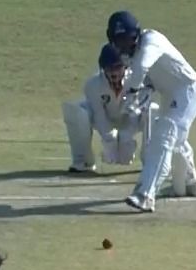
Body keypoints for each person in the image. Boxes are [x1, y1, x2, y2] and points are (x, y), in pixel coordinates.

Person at [106, 11, 196, 213]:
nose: (123, 45)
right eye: (119, 40)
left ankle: (146, 195)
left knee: (164, 137)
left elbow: (142, 68)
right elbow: (146, 84)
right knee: (175, 139)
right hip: (171, 94)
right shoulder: (131, 57)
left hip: (189, 91)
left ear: (135, 35)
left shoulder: (151, 41)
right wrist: (134, 102)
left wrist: (129, 92)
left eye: (126, 39)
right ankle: (190, 182)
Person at [62, 43, 154, 173]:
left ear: (125, 66)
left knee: (152, 109)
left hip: (132, 120)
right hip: (107, 119)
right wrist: (109, 140)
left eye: (117, 67)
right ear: (103, 68)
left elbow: (136, 110)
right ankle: (83, 161)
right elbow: (99, 114)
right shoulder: (93, 85)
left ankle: (150, 161)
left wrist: (126, 138)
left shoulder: (138, 80)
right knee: (79, 111)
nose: (114, 72)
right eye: (109, 68)